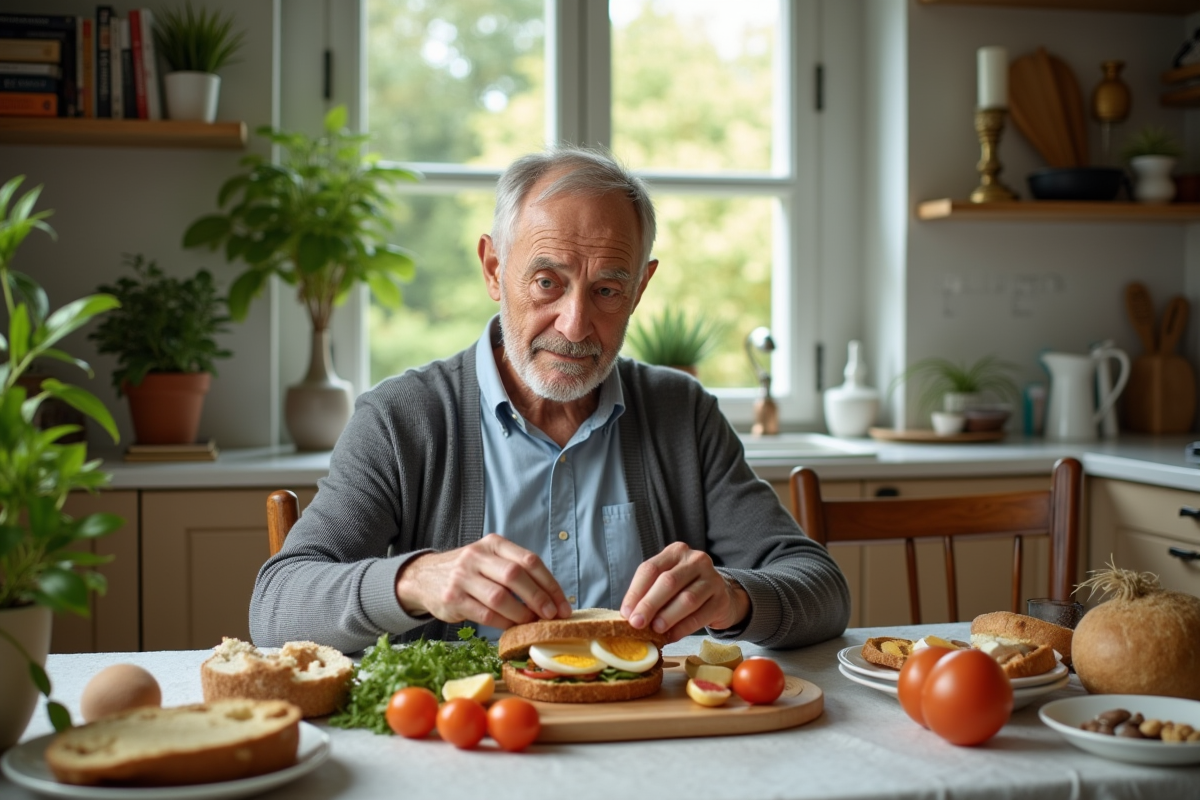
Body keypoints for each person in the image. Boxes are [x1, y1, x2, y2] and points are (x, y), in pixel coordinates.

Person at [250, 146, 850, 654]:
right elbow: (276, 605)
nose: (575, 324)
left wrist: (733, 597)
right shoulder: (401, 419)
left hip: (650, 733)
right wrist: (414, 579)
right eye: (547, 282)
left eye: (607, 289)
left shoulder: (682, 414)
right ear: (493, 269)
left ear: (640, 289)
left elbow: (821, 586)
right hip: (473, 739)